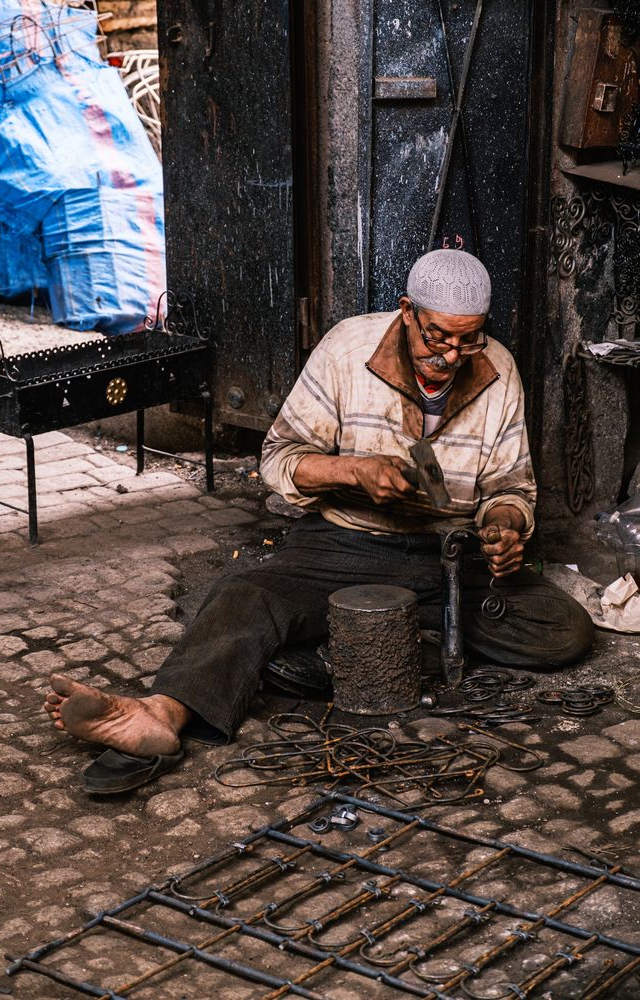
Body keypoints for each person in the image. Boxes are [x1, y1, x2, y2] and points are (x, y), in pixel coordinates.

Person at [44, 250, 594, 793]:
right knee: (246, 594)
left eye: (468, 339)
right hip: (344, 545)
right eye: (439, 337)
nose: (452, 355)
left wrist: (502, 526)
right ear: (407, 311)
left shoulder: (497, 368)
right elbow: (278, 459)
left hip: (450, 554)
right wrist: (352, 471)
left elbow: (511, 488)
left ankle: (352, 650)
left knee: (561, 628)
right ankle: (158, 715)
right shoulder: (346, 348)